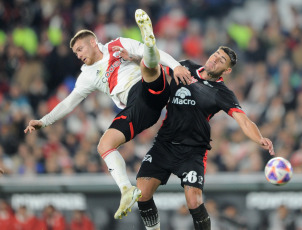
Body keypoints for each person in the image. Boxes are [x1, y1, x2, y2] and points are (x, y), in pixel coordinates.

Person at [22, 11, 191, 219]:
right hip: (140, 110)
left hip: (148, 87)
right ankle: (126, 190)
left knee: (147, 66)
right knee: (104, 145)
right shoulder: (87, 75)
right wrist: (43, 121)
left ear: (93, 42)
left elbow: (156, 53)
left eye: (80, 49)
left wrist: (176, 66)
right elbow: (68, 103)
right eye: (75, 53)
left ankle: (147, 40)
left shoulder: (117, 44)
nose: (78, 55)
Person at [133, 10, 275, 230]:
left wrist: (259, 139)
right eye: (216, 54)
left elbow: (243, 120)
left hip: (193, 150)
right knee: (141, 194)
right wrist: (133, 58)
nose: (215, 59)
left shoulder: (222, 93)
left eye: (221, 60)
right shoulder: (185, 66)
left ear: (226, 71)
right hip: (165, 144)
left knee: (194, 201)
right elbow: (155, 67)